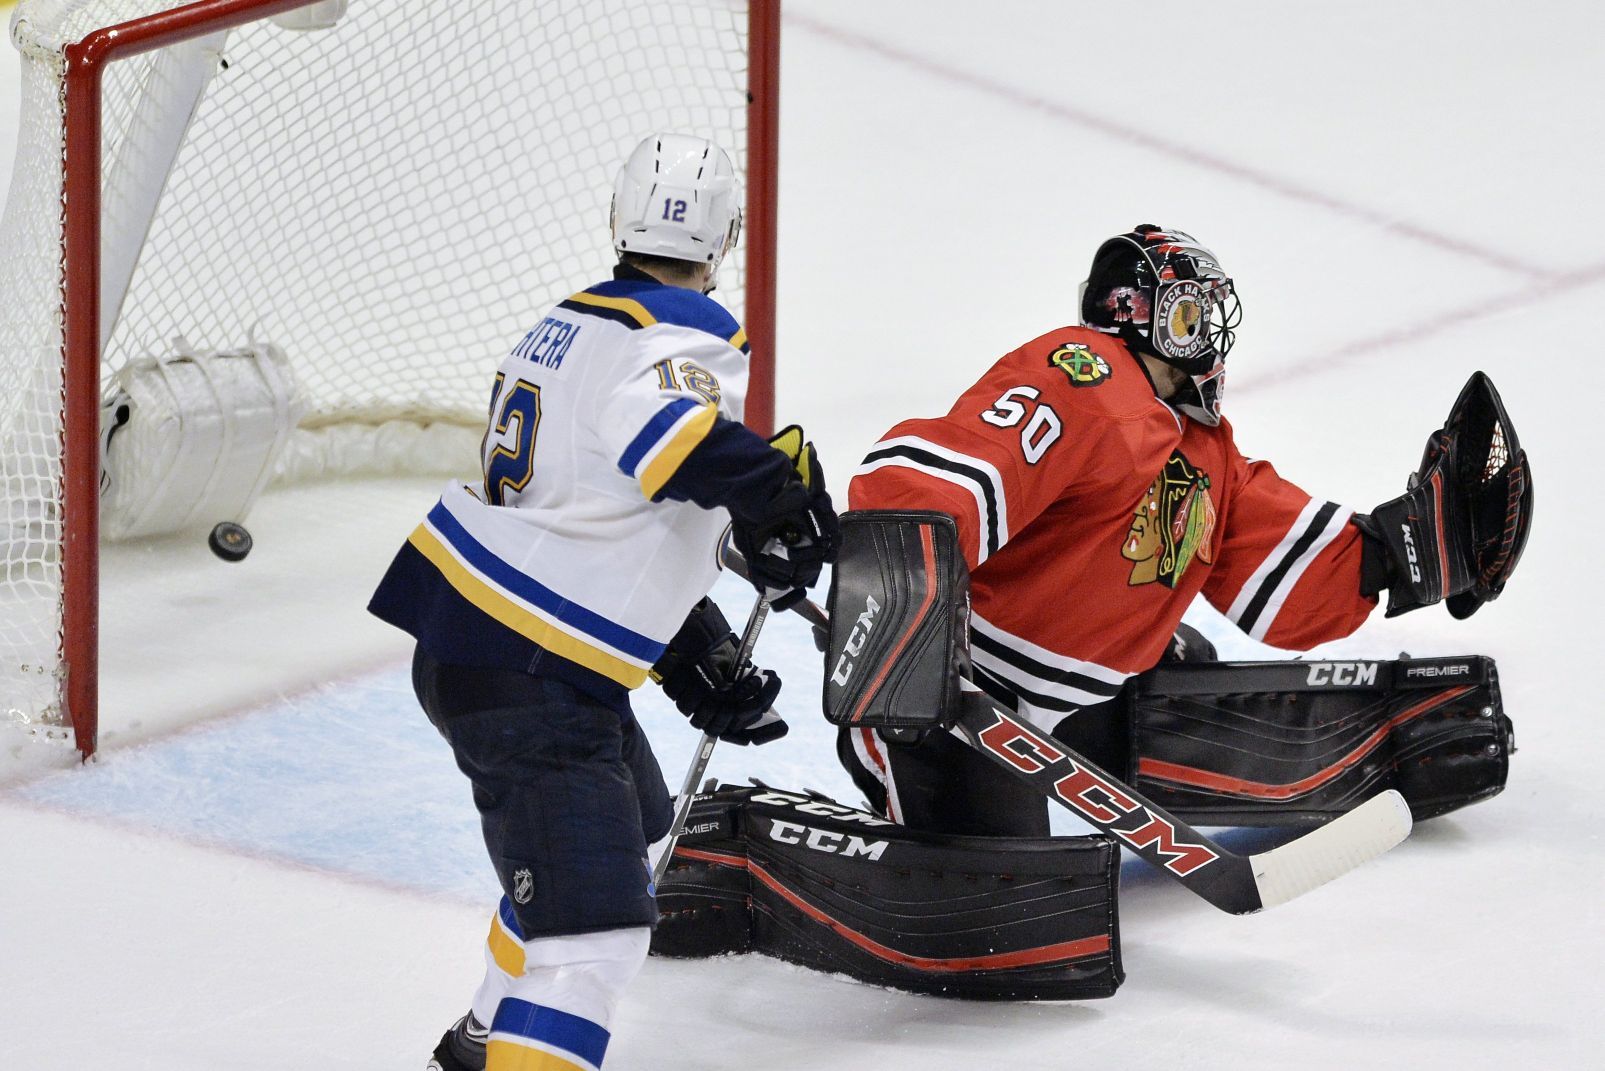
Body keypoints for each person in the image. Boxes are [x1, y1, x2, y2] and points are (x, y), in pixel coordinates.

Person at [369, 133, 837, 1071]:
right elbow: (671, 443)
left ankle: (477, 1045)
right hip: (528, 675)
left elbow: (591, 507)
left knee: (625, 842)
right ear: (727, 237)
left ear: (614, 218)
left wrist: (685, 645)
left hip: (494, 647)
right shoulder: (681, 330)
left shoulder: (564, 327)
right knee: (594, 941)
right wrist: (776, 492)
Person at [838, 224, 1526, 837]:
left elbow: (1271, 559)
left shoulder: (1204, 450)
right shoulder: (1081, 375)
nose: (1211, 334)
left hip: (1061, 706)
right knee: (998, 912)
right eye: (1192, 313)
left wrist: (1400, 551)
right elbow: (956, 471)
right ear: (1141, 316)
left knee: (1183, 658)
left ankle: (1148, 728)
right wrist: (902, 602)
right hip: (954, 699)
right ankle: (897, 763)